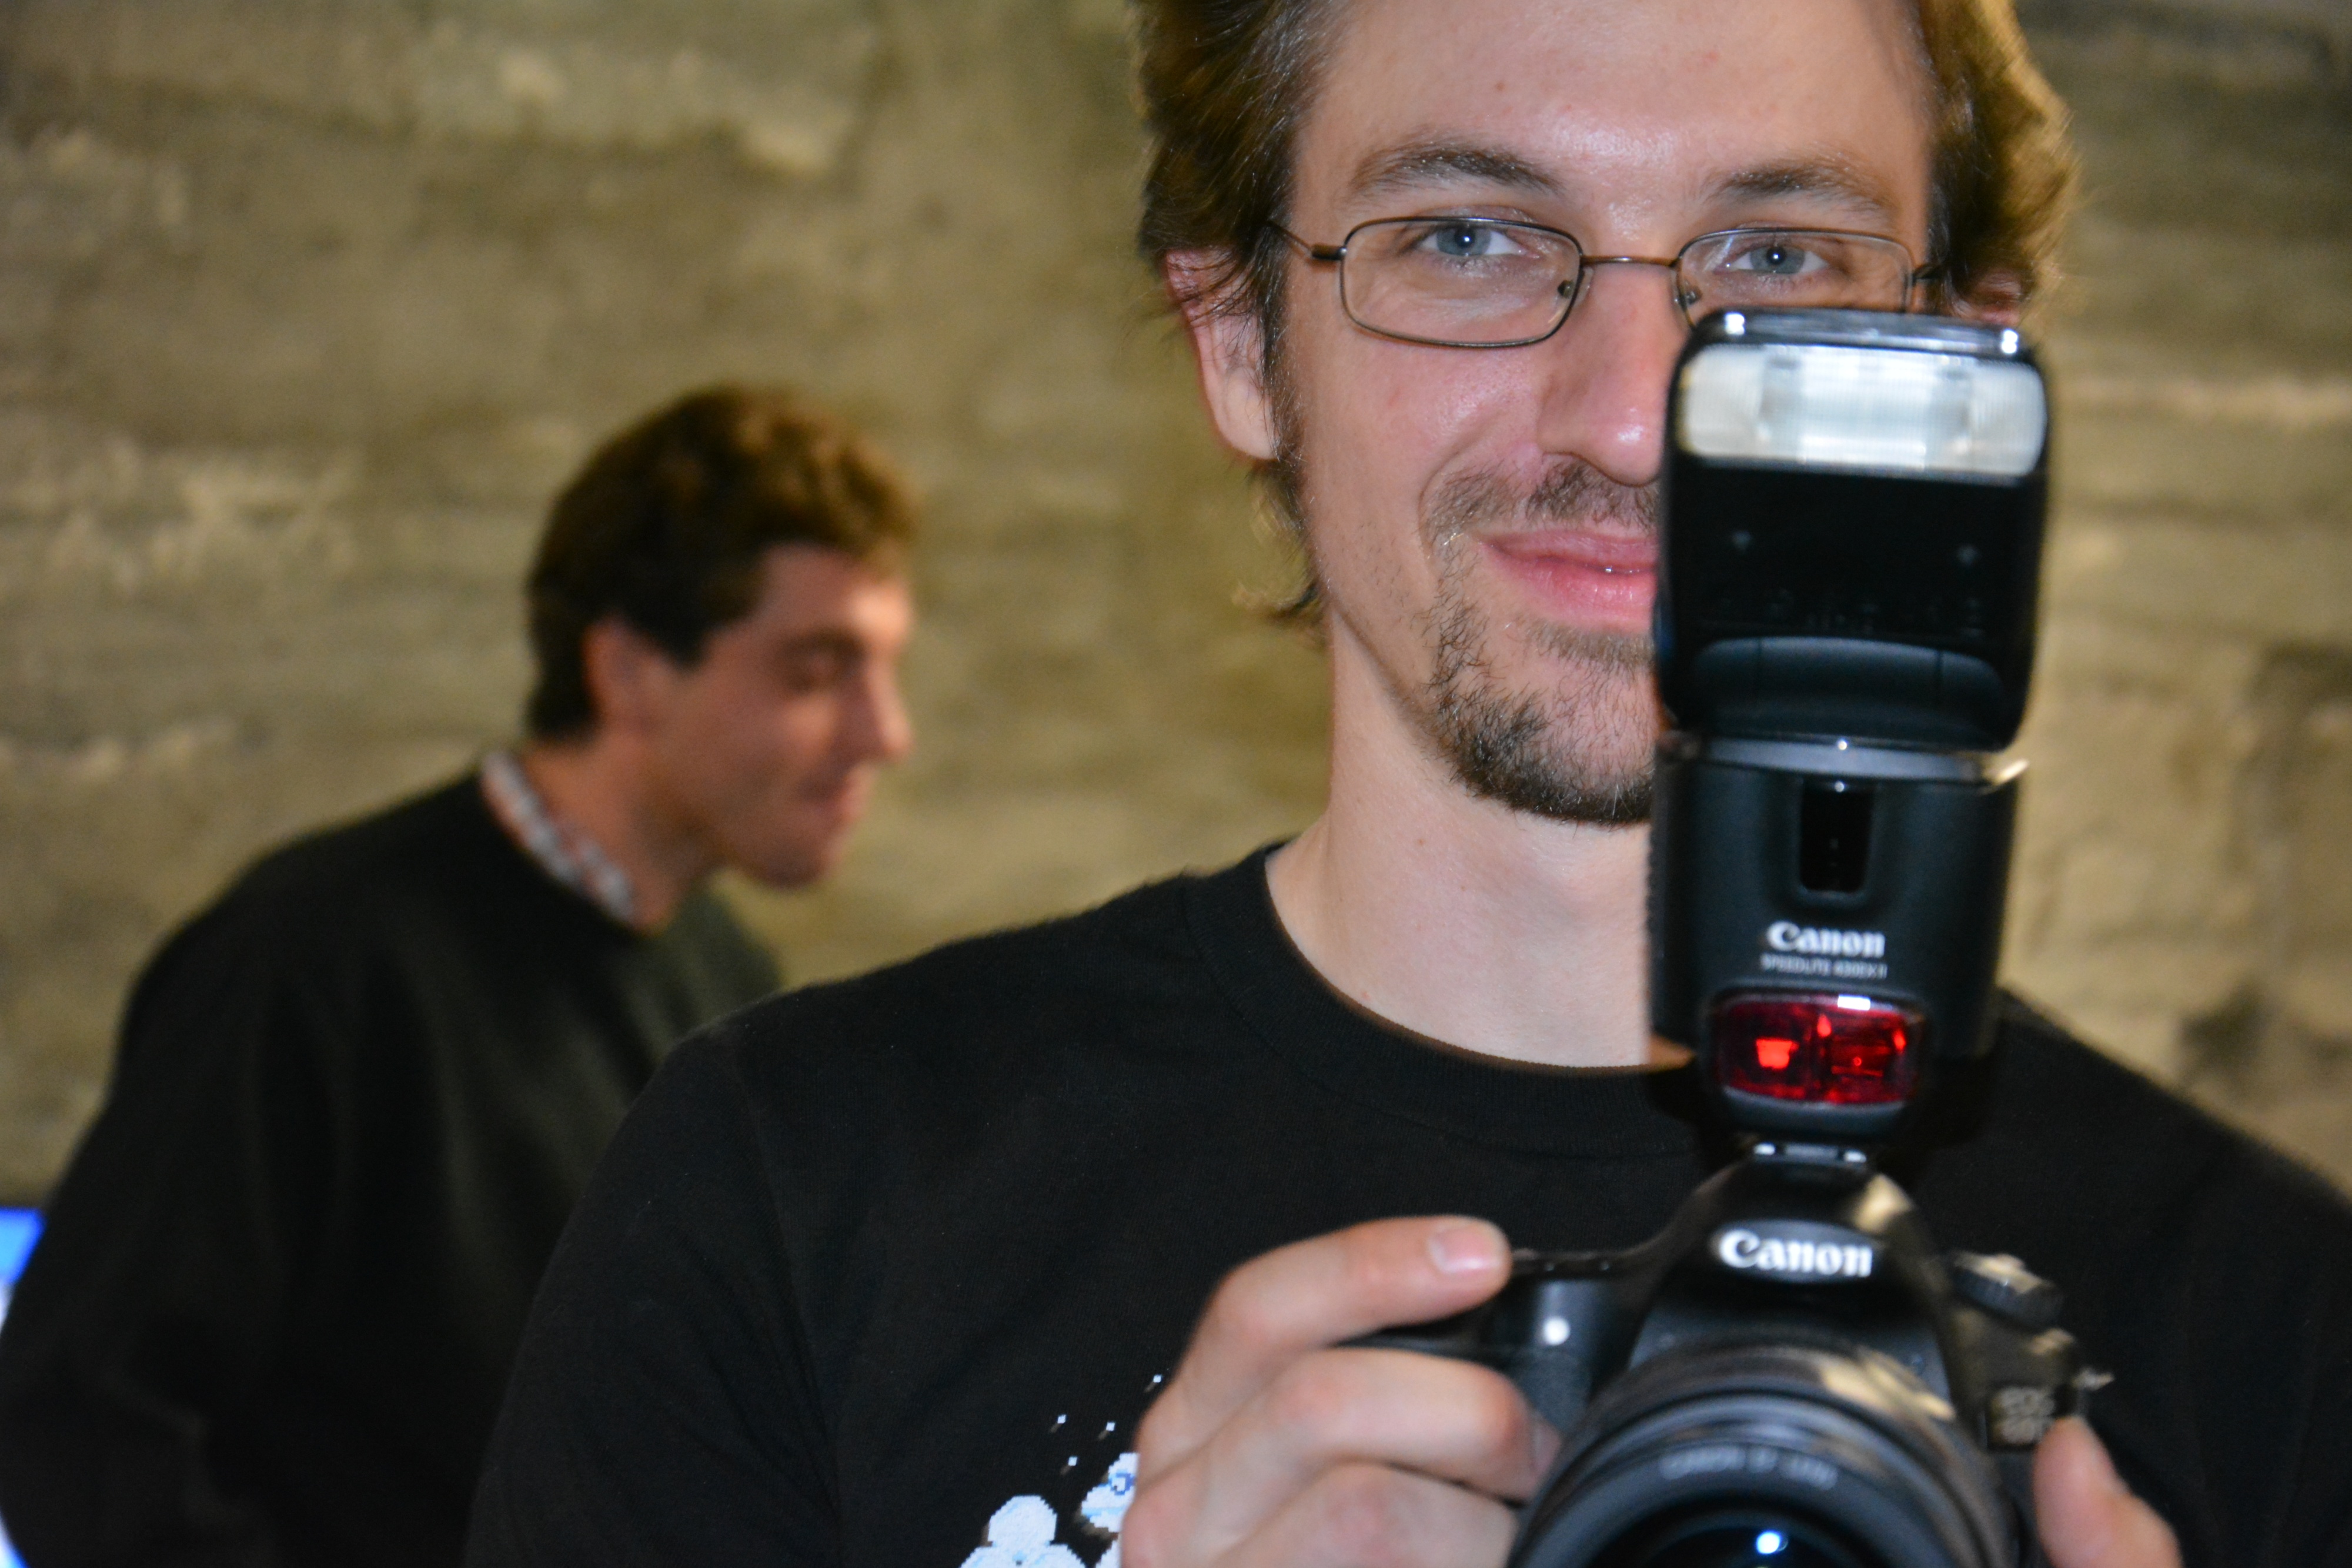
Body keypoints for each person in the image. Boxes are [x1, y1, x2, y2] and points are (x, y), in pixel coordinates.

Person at [464, 4, 2352, 1567]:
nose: (1630, 415)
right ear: (1237, 343)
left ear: (1960, 370)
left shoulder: (2275, 1324)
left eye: (1777, 259)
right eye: (1467, 237)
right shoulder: (790, 1198)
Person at [0, 386, 917, 1568]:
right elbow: (80, 1422)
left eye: (884, 668)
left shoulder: (724, 979)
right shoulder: (313, 963)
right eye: (815, 671)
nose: (884, 733)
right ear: (629, 670)